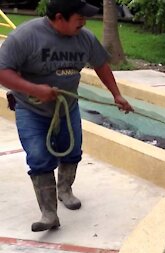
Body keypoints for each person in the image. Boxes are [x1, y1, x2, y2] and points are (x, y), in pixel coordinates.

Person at [0, 0, 134, 232]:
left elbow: (101, 65)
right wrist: (34, 89)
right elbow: (2, 72)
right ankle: (49, 213)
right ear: (59, 18)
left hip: (67, 107)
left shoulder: (85, 38)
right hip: (31, 110)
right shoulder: (26, 36)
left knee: (72, 151)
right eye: (79, 17)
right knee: (39, 157)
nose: (84, 21)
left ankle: (64, 190)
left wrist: (117, 95)